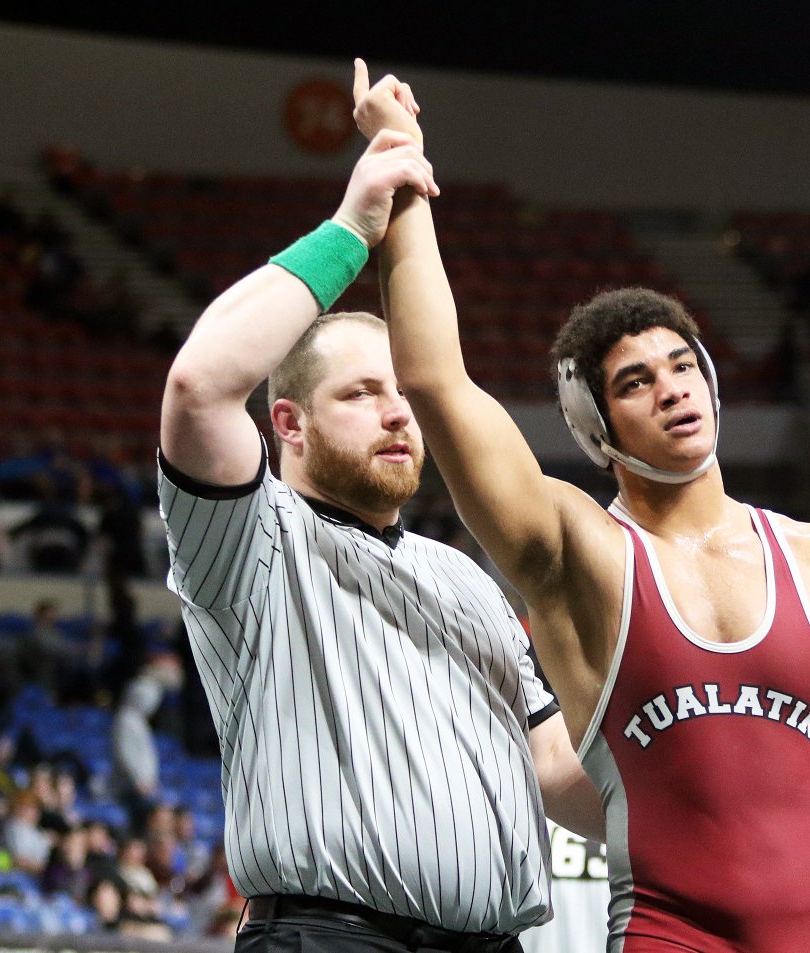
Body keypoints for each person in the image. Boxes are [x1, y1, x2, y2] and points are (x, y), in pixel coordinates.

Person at [355, 61, 810, 953]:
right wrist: (403, 172)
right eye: (636, 382)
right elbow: (436, 383)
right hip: (668, 937)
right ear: (596, 424)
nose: (673, 390)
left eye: (684, 366)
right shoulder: (580, 553)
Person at [157, 118, 602, 953]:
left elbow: (551, 767)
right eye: (362, 392)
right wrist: (353, 231)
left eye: (403, 391)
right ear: (287, 422)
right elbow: (198, 386)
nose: (400, 410)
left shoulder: (466, 575)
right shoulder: (254, 541)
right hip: (332, 938)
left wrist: (698, 811)